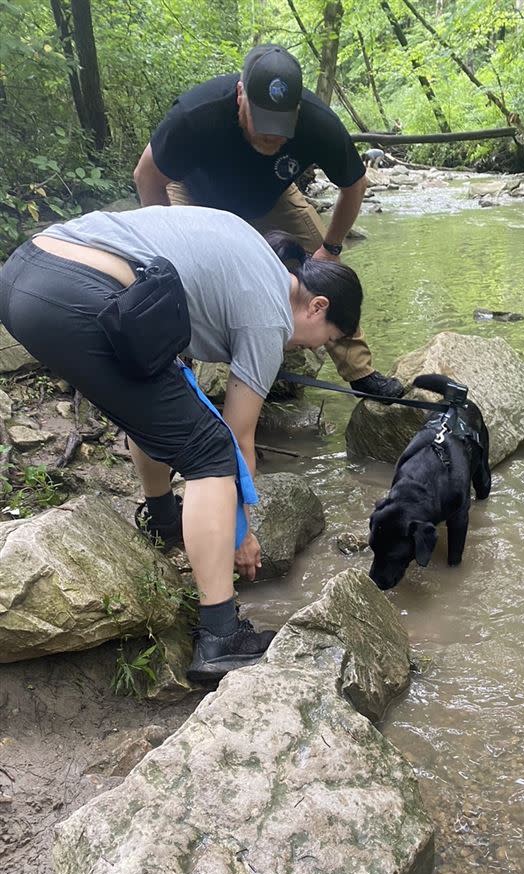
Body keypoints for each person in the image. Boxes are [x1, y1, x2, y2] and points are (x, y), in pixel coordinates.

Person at [0, 205, 363, 683]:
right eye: (325, 339)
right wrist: (242, 532)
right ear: (317, 306)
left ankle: (165, 522)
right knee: (210, 452)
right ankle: (221, 636)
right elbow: (237, 437)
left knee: (158, 404)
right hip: (79, 293)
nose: (314, 348)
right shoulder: (271, 314)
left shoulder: (251, 257)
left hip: (23, 273)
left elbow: (168, 378)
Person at [133, 43, 403, 400]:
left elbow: (354, 185)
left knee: (326, 277)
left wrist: (332, 248)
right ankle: (176, 370)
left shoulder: (318, 122)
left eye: (282, 126)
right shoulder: (196, 114)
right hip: (196, 196)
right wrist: (169, 244)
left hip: (271, 197)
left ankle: (360, 372)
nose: (272, 135)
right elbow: (146, 175)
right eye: (262, 123)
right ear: (240, 94)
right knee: (177, 279)